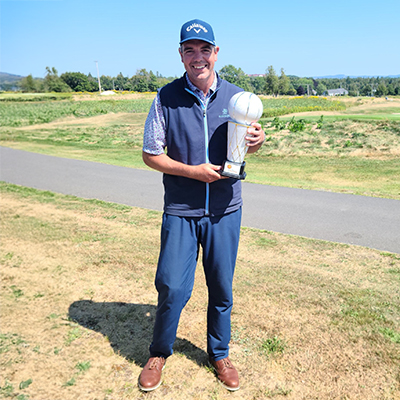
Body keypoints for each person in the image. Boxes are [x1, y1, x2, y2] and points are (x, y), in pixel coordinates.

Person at [138, 18, 265, 392]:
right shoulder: (165, 98)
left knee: (222, 288)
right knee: (172, 287)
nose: (198, 57)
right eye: (190, 50)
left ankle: (219, 353)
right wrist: (192, 172)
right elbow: (150, 153)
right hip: (181, 209)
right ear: (180, 54)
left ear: (216, 53)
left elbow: (249, 145)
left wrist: (257, 141)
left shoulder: (239, 98)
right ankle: (159, 352)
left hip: (226, 208)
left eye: (204, 49)